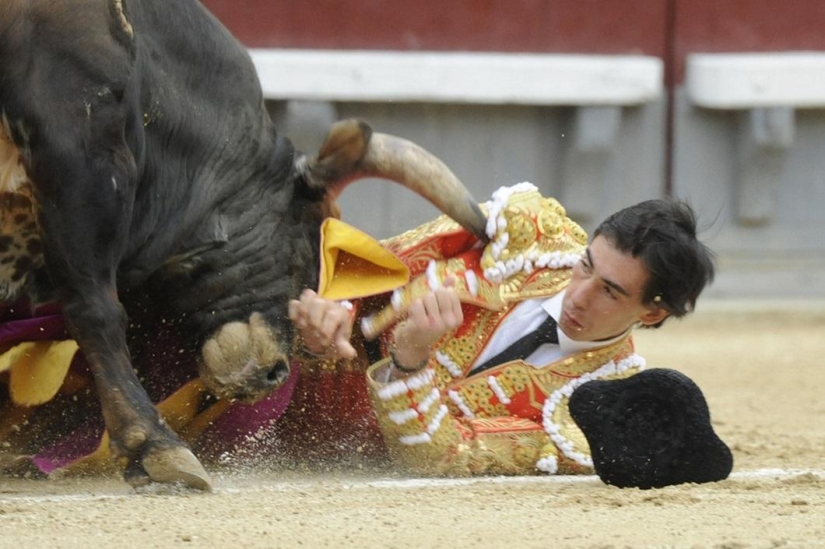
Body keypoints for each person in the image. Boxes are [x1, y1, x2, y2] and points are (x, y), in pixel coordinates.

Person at [290, 182, 731, 484]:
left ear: (652, 315)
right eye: (586, 266)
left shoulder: (590, 411)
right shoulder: (527, 233)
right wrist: (333, 308)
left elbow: (443, 456)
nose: (578, 295)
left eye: (610, 293)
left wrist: (409, 362)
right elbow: (385, 258)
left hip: (321, 445)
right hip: (292, 352)